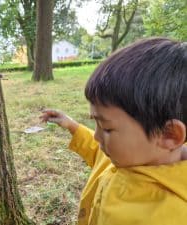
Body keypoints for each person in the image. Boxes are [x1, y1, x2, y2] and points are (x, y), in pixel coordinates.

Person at [40, 38, 187, 225]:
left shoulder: (170, 215)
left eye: (107, 128)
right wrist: (72, 126)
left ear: (169, 135)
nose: (97, 136)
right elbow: (97, 153)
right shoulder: (127, 155)